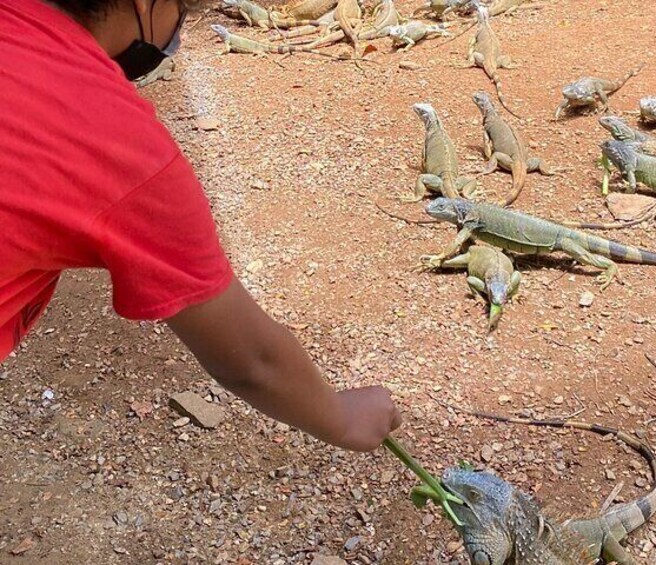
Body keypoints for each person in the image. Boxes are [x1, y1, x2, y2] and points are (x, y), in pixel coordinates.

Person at [0, 0, 402, 452]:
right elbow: (252, 361)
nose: (179, 33)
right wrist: (342, 418)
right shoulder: (118, 144)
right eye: (183, 9)